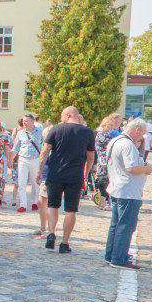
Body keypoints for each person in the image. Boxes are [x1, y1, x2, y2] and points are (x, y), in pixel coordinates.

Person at [38, 106, 95, 254]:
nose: (61, 118)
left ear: (68, 115)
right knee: (71, 210)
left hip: (55, 173)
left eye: (62, 115)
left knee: (52, 205)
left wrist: (39, 171)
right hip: (75, 175)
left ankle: (51, 233)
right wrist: (86, 173)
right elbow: (90, 157)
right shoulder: (87, 132)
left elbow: (45, 152)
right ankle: (65, 243)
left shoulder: (56, 129)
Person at [104, 119, 152, 269]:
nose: (142, 138)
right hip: (128, 191)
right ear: (137, 130)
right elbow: (132, 168)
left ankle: (111, 254)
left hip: (117, 187)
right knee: (125, 226)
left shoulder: (115, 141)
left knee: (116, 225)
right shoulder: (127, 144)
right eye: (142, 134)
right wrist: (148, 168)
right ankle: (119, 258)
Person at [94, 114, 122, 211]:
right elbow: (110, 144)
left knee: (103, 181)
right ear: (104, 125)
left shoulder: (105, 134)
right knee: (103, 182)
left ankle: (102, 202)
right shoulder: (102, 134)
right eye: (109, 125)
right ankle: (102, 202)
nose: (111, 127)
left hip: (105, 160)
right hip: (104, 161)